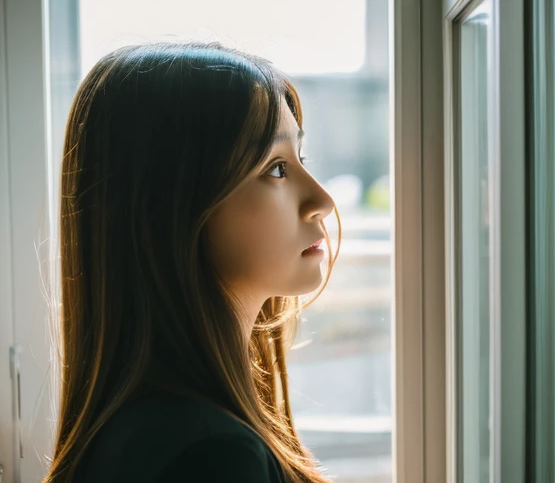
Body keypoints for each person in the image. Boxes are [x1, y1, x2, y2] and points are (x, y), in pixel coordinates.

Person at [43, 42, 340, 483]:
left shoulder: (144, 428)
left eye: (301, 157)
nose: (322, 200)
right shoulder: (212, 455)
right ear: (171, 209)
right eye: (275, 168)